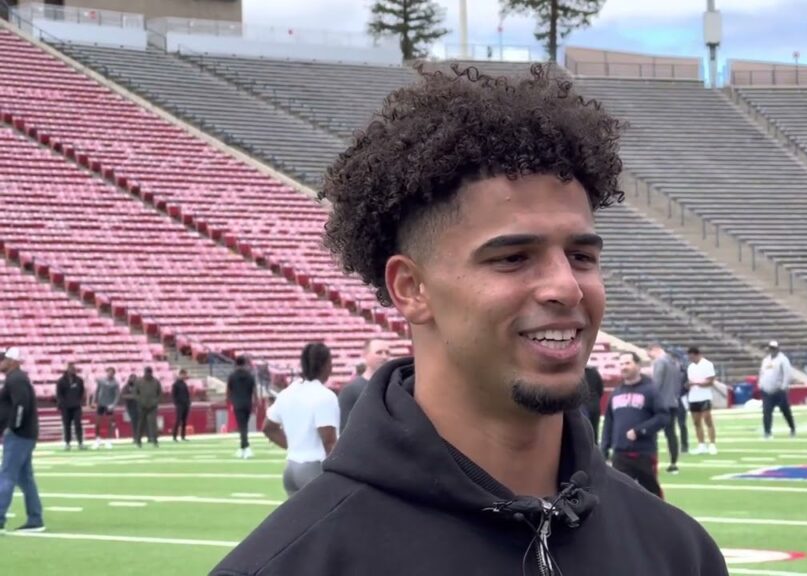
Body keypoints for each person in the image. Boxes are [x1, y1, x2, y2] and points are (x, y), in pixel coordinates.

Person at [212, 64, 726, 575]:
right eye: (513, 257)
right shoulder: (294, 564)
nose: (567, 286)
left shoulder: (678, 552)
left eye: (582, 256)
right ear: (411, 289)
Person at [263, 343, 340, 497]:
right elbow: (329, 441)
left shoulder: (288, 392)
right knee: (323, 518)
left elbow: (268, 428)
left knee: (298, 520)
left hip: (291, 468)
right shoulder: (324, 396)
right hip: (313, 468)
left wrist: (292, 445)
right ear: (326, 365)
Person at [601, 352, 668, 497]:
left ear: (637, 365)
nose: (624, 367)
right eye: (622, 363)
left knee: (651, 495)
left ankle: (657, 519)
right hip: (619, 454)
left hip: (643, 452)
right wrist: (604, 449)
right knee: (620, 496)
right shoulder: (616, 392)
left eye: (628, 363)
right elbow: (609, 422)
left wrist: (640, 430)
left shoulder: (650, 390)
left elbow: (663, 417)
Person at [0, 348, 45, 533]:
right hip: (24, 434)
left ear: (13, 361)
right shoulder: (16, 378)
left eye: (3, 359)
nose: (1, 362)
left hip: (19, 435)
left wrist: (13, 427)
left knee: (7, 476)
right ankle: (35, 518)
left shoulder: (15, 379)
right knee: (25, 478)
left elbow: (20, 405)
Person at [337, 339, 389, 432]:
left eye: (387, 353)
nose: (384, 356)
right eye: (379, 352)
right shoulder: (350, 390)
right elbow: (344, 428)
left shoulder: (392, 387)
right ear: (365, 355)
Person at [649, 343, 684, 472]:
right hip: (673, 401)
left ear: (655, 349)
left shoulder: (660, 362)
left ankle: (651, 462)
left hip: (661, 403)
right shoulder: (675, 363)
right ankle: (673, 463)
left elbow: (656, 384)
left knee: (651, 433)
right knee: (671, 434)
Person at [759, 340, 796, 439]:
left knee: (785, 411)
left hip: (779, 390)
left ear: (777, 348)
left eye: (774, 348)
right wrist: (761, 384)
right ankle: (767, 431)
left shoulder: (783, 360)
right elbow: (762, 373)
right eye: (771, 348)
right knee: (766, 411)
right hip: (767, 391)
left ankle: (792, 428)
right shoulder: (766, 360)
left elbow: (787, 374)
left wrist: (783, 387)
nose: (772, 350)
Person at [687, 346, 718, 455]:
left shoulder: (707, 364)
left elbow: (710, 381)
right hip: (693, 397)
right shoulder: (690, 367)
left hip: (705, 396)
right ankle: (701, 444)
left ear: (697, 355)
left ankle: (712, 444)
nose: (691, 359)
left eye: (692, 357)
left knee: (708, 421)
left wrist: (697, 383)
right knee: (696, 422)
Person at [227, 357, 258, 459]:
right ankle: (243, 447)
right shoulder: (250, 375)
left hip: (237, 404)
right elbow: (254, 390)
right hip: (247, 403)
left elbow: (228, 390)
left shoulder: (232, 376)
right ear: (244, 363)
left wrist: (229, 401)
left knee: (242, 426)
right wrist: (256, 403)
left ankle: (246, 447)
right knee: (244, 426)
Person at [55, 362, 86, 450]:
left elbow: (81, 392)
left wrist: (78, 401)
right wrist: (61, 404)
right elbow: (59, 394)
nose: (73, 370)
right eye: (71, 368)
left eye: (74, 368)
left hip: (76, 406)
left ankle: (80, 442)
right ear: (67, 369)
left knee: (78, 424)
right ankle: (67, 443)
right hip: (65, 407)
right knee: (66, 425)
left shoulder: (79, 380)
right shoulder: (61, 381)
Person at [91, 367, 120, 450]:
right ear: (107, 372)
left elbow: (117, 395)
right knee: (97, 422)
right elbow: (97, 391)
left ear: (114, 374)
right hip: (101, 404)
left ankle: (108, 441)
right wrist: (94, 401)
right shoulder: (101, 381)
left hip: (109, 405)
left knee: (110, 423)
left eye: (112, 372)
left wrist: (113, 405)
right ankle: (97, 440)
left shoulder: (115, 383)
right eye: (109, 372)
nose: (110, 374)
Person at [135, 367, 161, 447]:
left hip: (152, 406)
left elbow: (159, 393)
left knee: (153, 423)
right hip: (142, 406)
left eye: (149, 373)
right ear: (144, 372)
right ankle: (138, 440)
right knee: (141, 424)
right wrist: (140, 401)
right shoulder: (139, 381)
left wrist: (156, 401)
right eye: (147, 372)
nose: (148, 374)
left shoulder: (156, 382)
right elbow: (136, 393)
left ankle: (154, 440)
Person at [582, 365, 604, 443]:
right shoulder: (594, 372)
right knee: (594, 434)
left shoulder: (573, 372)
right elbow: (600, 390)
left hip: (582, 406)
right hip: (593, 405)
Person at [171, 369, 191, 442]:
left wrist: (188, 402)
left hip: (185, 404)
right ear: (180, 374)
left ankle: (183, 436)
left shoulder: (184, 383)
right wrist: (176, 404)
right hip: (179, 405)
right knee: (178, 420)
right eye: (184, 374)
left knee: (184, 421)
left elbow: (187, 394)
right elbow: (173, 395)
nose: (184, 376)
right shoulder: (175, 384)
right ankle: (174, 436)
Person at [122, 374, 140, 447]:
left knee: (140, 423)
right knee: (134, 422)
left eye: (134, 379)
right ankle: (135, 437)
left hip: (139, 406)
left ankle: (142, 437)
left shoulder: (139, 387)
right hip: (130, 407)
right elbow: (123, 395)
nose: (133, 380)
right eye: (131, 378)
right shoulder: (126, 387)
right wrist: (132, 397)